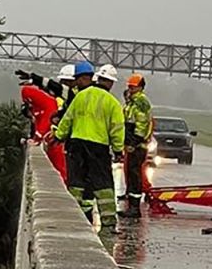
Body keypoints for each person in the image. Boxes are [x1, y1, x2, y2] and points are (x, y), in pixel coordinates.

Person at [51, 60, 125, 235]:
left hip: (77, 144)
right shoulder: (113, 103)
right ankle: (107, 222)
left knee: (76, 182)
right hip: (98, 147)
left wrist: (58, 136)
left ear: (97, 78)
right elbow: (117, 129)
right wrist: (117, 150)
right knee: (103, 185)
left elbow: (67, 119)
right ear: (111, 83)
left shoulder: (81, 96)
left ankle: (74, 216)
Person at [17, 67, 69, 184]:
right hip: (61, 137)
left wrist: (38, 137)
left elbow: (56, 89)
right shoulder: (61, 96)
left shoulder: (70, 95)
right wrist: (35, 79)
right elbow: (52, 87)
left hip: (64, 138)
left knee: (63, 168)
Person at [122, 72, 155, 215]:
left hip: (137, 144)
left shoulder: (140, 102)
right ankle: (131, 205)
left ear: (140, 87)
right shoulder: (132, 101)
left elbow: (141, 124)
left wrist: (135, 141)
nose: (130, 89)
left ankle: (135, 208)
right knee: (130, 173)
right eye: (130, 86)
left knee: (135, 175)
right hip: (132, 141)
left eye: (133, 87)